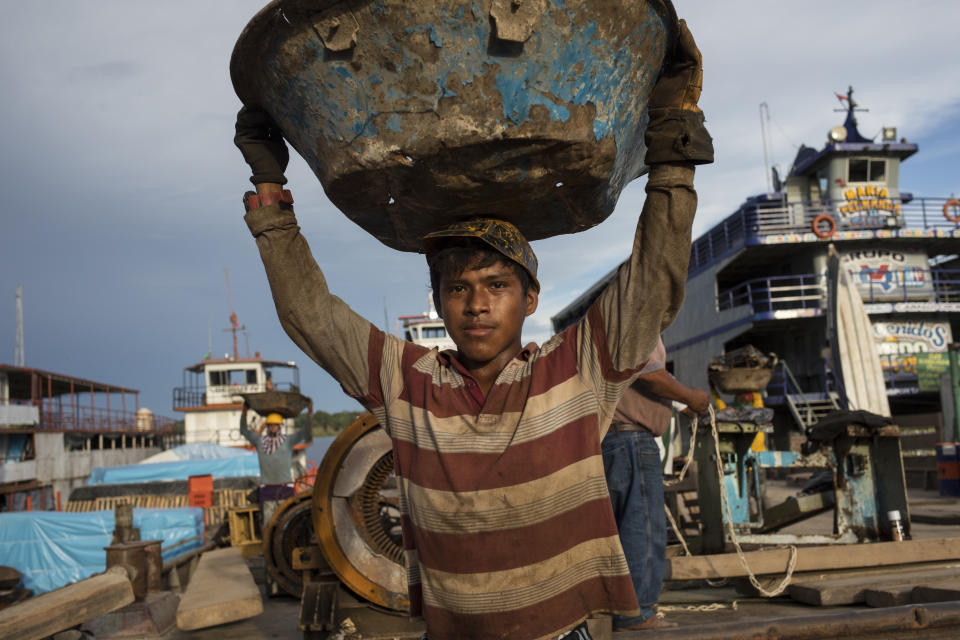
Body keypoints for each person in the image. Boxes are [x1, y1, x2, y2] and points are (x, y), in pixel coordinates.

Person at [234, 21, 712, 640]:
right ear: (438, 301)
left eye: (497, 285)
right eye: (457, 288)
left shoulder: (578, 369)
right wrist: (270, 193)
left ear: (529, 297)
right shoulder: (406, 385)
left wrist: (673, 155)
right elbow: (310, 315)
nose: (477, 305)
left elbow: (655, 276)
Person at [603, 338, 709, 631]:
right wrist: (691, 396)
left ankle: (618, 609)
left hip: (613, 438)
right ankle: (637, 613)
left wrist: (678, 401)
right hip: (632, 440)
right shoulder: (640, 325)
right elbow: (649, 375)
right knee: (644, 528)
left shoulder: (612, 327)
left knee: (621, 530)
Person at [240, 406, 312, 525]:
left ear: (280, 427)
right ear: (267, 426)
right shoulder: (260, 441)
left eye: (275, 425)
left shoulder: (288, 441)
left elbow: (305, 432)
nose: (273, 428)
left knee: (289, 522)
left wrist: (309, 413)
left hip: (285, 488)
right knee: (268, 524)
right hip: (266, 489)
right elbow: (243, 430)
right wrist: (244, 412)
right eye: (271, 425)